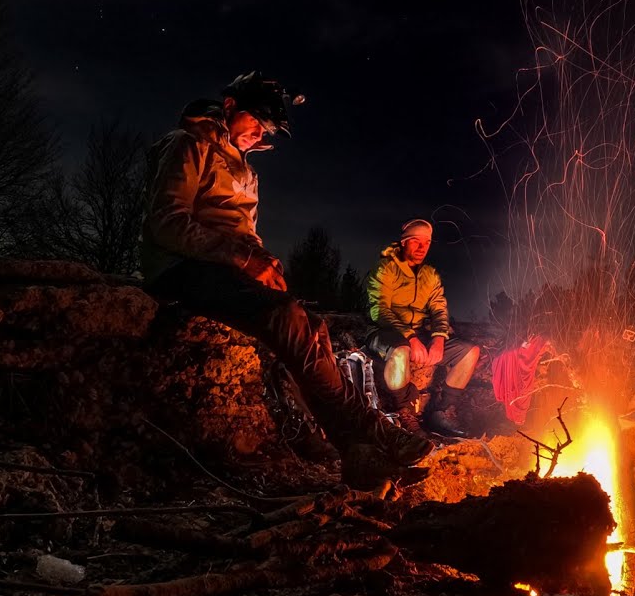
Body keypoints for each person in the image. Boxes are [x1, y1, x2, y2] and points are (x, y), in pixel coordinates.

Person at [141, 71, 434, 482]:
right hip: (179, 269)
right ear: (230, 106)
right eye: (255, 121)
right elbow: (167, 223)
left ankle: (359, 456)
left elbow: (245, 234)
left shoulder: (247, 172)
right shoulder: (189, 144)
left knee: (312, 328)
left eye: (266, 129)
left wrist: (263, 259)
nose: (259, 133)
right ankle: (372, 429)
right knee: (286, 318)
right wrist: (244, 258)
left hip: (223, 270)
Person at [366, 219, 480, 437]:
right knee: (401, 351)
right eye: (416, 241)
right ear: (404, 242)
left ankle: (440, 411)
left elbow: (439, 309)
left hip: (418, 334)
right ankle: (404, 413)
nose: (422, 247)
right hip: (382, 333)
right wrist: (411, 338)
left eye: (427, 242)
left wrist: (438, 338)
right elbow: (379, 311)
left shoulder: (429, 274)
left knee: (470, 352)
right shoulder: (385, 269)